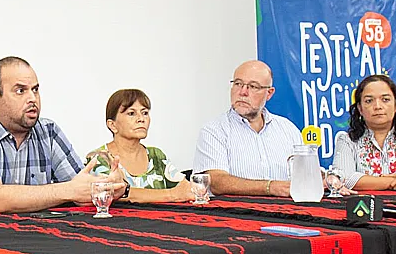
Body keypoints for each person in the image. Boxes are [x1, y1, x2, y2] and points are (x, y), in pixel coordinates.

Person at [0, 56, 124, 213]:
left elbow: (81, 189)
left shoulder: (48, 131)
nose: (32, 98)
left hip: (22, 236)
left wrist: (108, 186)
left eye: (35, 90)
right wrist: (68, 190)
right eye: (20, 91)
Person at [193, 60, 302, 197]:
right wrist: (270, 187)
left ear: (269, 93)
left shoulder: (288, 129)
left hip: (286, 209)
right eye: (238, 84)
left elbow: (304, 176)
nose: (242, 92)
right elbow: (216, 182)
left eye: (253, 86)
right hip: (236, 209)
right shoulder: (214, 131)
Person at [89, 89, 194, 203]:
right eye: (131, 113)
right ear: (112, 125)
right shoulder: (99, 158)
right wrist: (171, 195)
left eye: (145, 113)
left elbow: (185, 189)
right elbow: (112, 194)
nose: (141, 119)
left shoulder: (156, 155)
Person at [332, 74, 396, 190]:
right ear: (360, 108)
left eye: (385, 100)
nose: (377, 106)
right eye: (369, 101)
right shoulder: (347, 141)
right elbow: (342, 179)